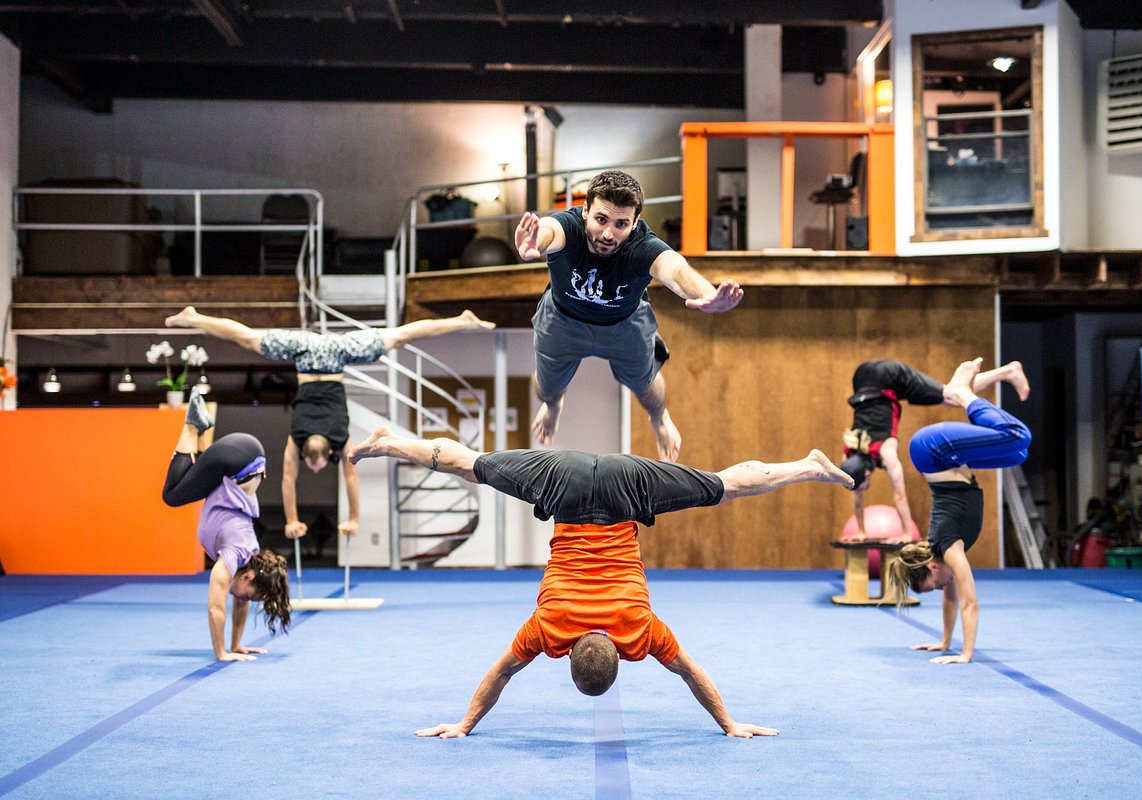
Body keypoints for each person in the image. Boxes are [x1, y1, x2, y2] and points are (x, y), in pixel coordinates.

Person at [345, 427, 853, 738]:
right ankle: (391, 445)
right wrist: (462, 724)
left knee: (722, 487)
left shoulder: (638, 631)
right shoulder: (548, 630)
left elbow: (691, 673)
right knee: (471, 467)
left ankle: (807, 467)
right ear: (566, 656)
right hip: (563, 483)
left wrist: (730, 722)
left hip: (625, 485)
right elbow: (499, 675)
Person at [165, 306, 495, 542]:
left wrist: (307, 521)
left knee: (398, 337)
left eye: (317, 466)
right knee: (399, 336)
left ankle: (194, 317)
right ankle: (461, 319)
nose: (319, 469)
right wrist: (337, 519)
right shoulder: (306, 438)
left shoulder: (337, 436)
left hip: (329, 354)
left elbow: (317, 479)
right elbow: (290, 479)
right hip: (317, 353)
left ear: (318, 454)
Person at [513, 169, 744, 463]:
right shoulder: (568, 228)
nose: (608, 233)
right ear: (585, 211)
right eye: (601, 220)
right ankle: (554, 406)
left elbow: (675, 270)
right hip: (562, 321)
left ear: (634, 223)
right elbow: (548, 230)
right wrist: (536, 243)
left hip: (624, 326)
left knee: (646, 386)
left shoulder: (641, 246)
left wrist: (705, 295)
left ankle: (659, 419)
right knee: (547, 388)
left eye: (621, 224)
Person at [886, 358, 1032, 665]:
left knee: (1019, 436)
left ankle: (962, 392)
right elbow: (951, 599)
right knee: (1017, 452)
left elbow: (970, 602)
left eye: (936, 583)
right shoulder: (941, 553)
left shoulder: (949, 548)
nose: (943, 588)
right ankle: (999, 375)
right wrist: (943, 642)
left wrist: (965, 655)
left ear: (933, 567)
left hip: (935, 450)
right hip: (939, 456)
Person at [161, 390, 291, 662]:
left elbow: (239, 602)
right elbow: (215, 608)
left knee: (189, 482)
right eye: (252, 596)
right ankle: (191, 425)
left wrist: (236, 646)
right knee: (171, 496)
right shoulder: (233, 556)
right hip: (238, 460)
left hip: (246, 462)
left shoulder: (249, 560)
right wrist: (221, 654)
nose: (244, 601)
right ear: (249, 577)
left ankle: (198, 428)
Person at [839, 358, 1029, 543]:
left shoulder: (885, 453)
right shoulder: (848, 452)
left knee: (952, 396)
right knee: (948, 392)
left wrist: (906, 533)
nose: (861, 491)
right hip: (863, 379)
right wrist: (861, 531)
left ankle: (1007, 371)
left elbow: (900, 495)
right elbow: (857, 498)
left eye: (864, 485)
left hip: (891, 377)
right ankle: (988, 378)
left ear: (866, 472)